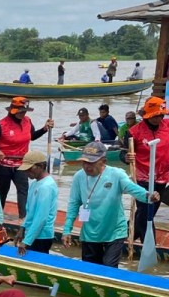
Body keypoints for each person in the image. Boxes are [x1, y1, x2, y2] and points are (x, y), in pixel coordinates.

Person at [62, 142, 161, 267]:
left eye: (91, 163)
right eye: (84, 162)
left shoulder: (116, 174)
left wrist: (148, 196)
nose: (86, 166)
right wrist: (67, 230)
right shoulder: (79, 177)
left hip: (114, 232)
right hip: (90, 233)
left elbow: (132, 188)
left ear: (103, 161)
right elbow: (73, 204)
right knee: (90, 270)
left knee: (109, 268)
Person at [0, 96, 53, 217]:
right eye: (20, 111)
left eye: (25, 111)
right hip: (3, 164)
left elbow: (32, 136)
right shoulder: (1, 124)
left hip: (22, 164)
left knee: (23, 190)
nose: (23, 114)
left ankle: (23, 218)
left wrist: (44, 129)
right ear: (13, 110)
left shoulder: (27, 121)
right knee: (3, 191)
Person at [125, 96, 169, 241]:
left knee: (147, 213)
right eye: (155, 116)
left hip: (162, 177)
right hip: (142, 178)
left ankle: (125, 236)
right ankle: (148, 246)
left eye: (161, 115)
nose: (158, 118)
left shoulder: (168, 127)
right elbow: (124, 153)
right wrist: (126, 158)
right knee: (146, 212)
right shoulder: (134, 132)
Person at [14, 150, 58, 255]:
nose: (27, 172)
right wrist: (22, 228)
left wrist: (27, 241)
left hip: (41, 236)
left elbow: (41, 218)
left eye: (30, 169)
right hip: (32, 233)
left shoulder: (46, 187)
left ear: (41, 166)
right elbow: (30, 211)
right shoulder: (35, 184)